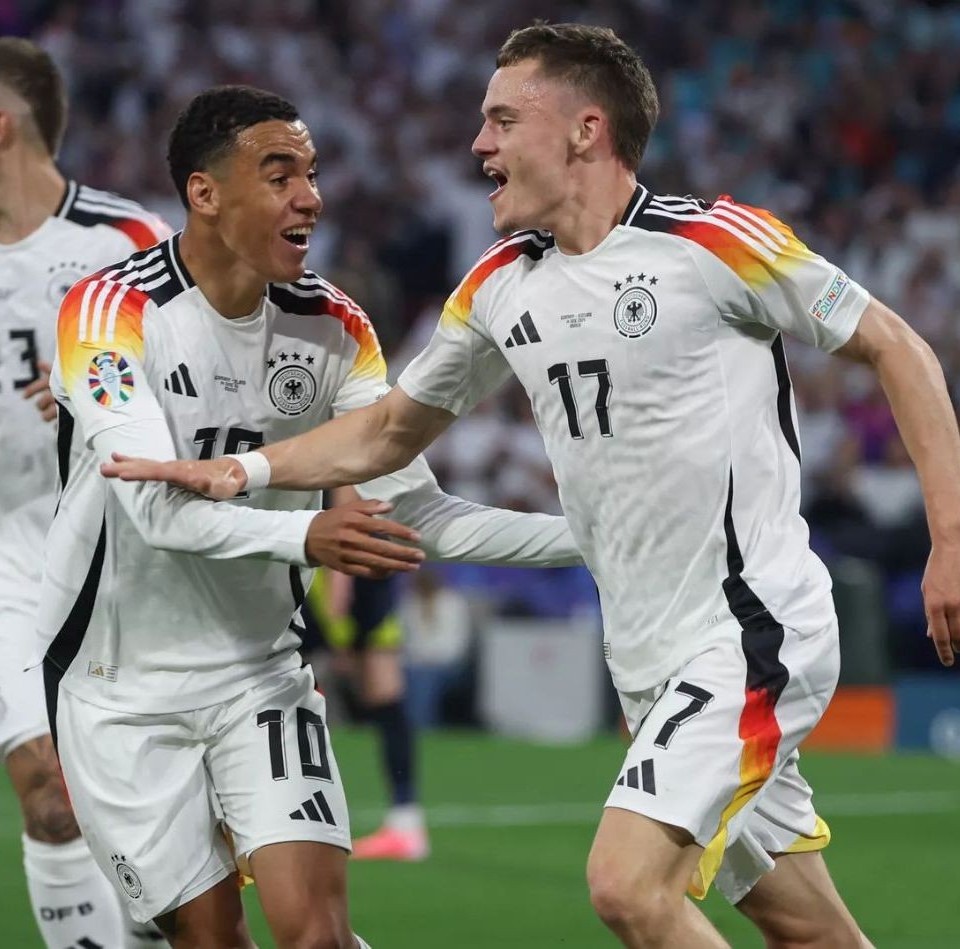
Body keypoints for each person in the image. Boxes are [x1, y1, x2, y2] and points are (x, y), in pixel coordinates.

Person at [107, 24, 960, 949]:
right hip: (646, 657)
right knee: (806, 927)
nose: (478, 144)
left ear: (584, 130)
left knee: (627, 887)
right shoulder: (499, 284)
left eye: (502, 120)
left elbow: (897, 346)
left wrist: (955, 534)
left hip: (749, 629)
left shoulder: (710, 242)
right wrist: (242, 470)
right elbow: (386, 432)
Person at [40, 84, 580, 949]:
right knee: (210, 939)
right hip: (119, 685)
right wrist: (305, 536)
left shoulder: (333, 326)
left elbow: (416, 512)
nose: (310, 198)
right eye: (279, 174)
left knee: (319, 935)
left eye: (312, 173)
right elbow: (154, 511)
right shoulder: (110, 313)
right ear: (204, 192)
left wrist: (594, 540)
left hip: (259, 674)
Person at [0, 37, 173, 949]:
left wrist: (98, 388)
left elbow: (204, 381)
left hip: (113, 554)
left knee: (134, 805)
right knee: (50, 795)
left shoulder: (128, 242)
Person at [299, 489, 426, 861]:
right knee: (384, 705)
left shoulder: (339, 475)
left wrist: (341, 629)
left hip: (342, 586)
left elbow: (348, 528)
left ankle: (401, 824)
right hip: (356, 586)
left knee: (292, 702)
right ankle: (405, 819)